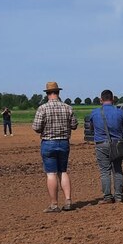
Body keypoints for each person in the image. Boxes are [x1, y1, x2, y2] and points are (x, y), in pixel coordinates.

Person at [31, 81, 78, 213]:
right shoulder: (68, 108)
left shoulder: (42, 108)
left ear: (47, 94)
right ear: (58, 93)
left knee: (51, 173)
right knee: (63, 171)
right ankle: (68, 201)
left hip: (48, 143)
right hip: (64, 142)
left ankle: (54, 204)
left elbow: (36, 127)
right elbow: (74, 125)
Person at [87, 89, 123, 204]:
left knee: (105, 171)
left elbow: (91, 129)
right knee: (117, 169)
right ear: (113, 99)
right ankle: (119, 196)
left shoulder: (95, 113)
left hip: (101, 144)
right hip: (117, 145)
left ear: (101, 100)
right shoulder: (120, 112)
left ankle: (107, 197)